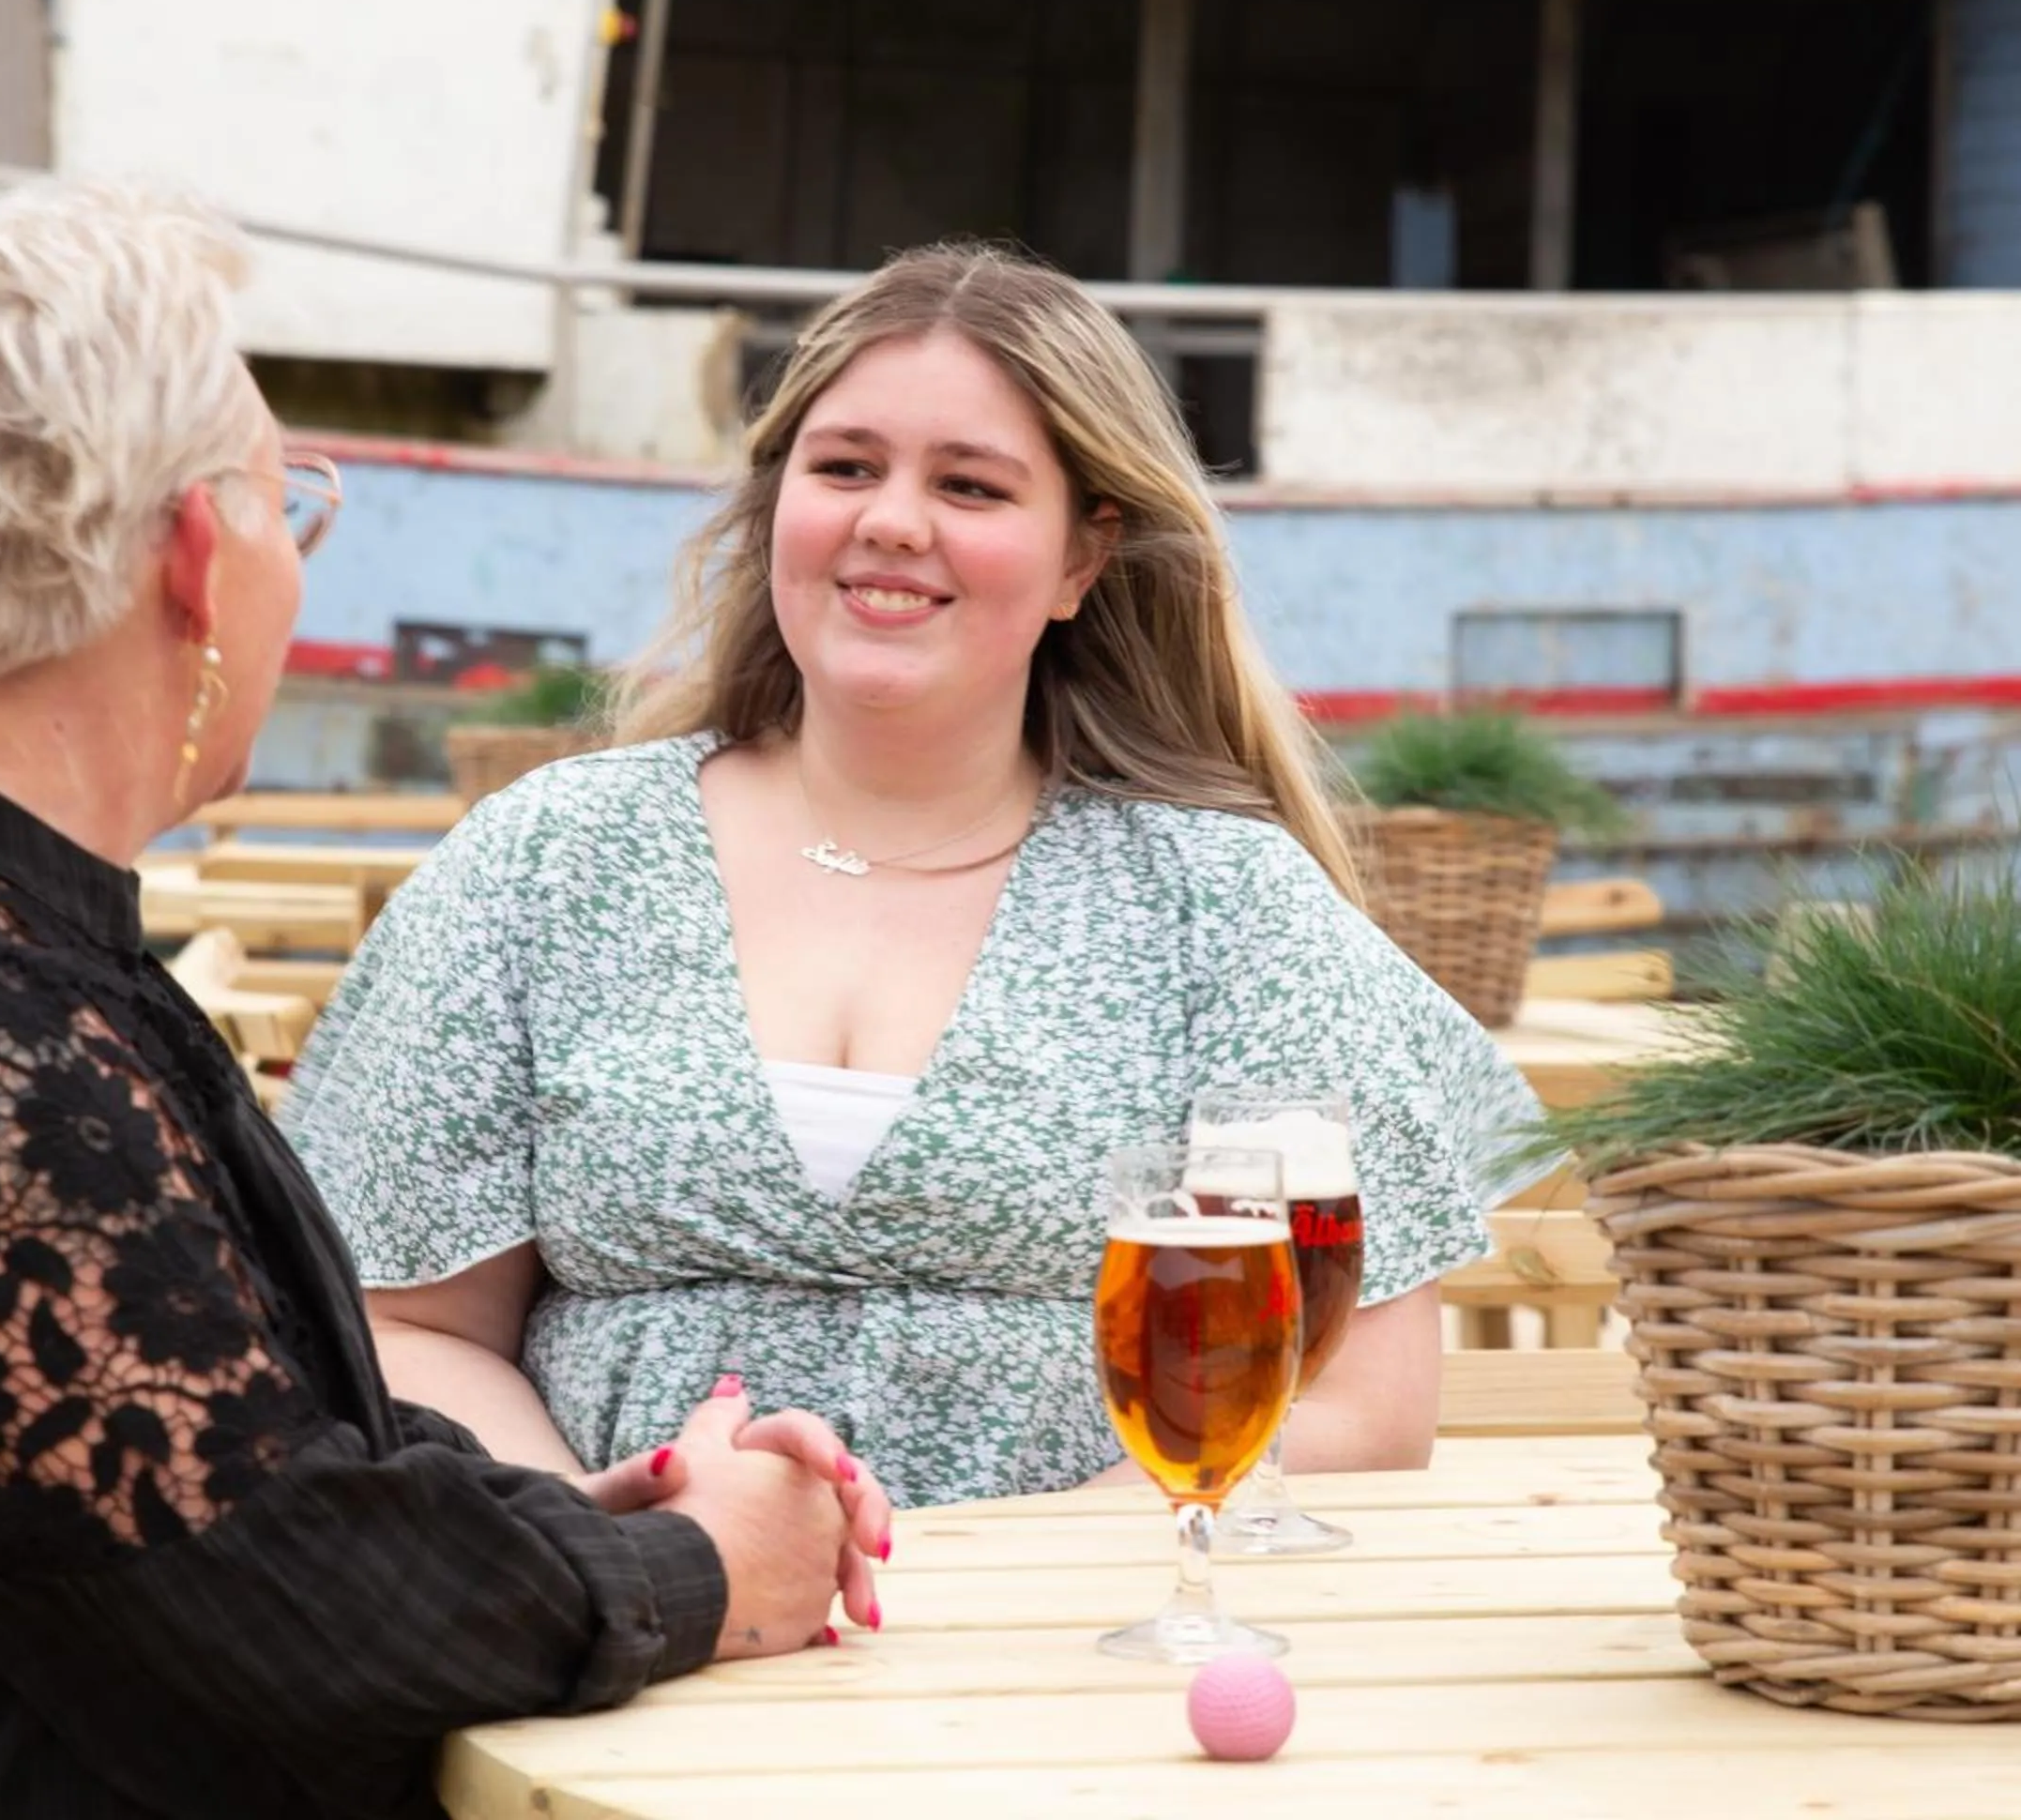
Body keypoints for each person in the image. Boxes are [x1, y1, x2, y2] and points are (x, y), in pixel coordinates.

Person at [0, 175, 888, 1820]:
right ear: (191, 552)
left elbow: (201, 1474)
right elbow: (291, 1618)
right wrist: (698, 1572)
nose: (294, 572)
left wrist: (570, 1538)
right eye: (284, 503)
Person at [282, 242, 1547, 1511]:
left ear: (1080, 562)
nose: (892, 519)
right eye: (844, 469)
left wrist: (998, 1584)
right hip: (621, 1651)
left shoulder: (1226, 908)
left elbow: (1357, 1405)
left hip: (1075, 1659)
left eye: (973, 487)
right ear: (778, 508)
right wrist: (602, 1552)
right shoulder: (545, 861)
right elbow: (410, 1327)